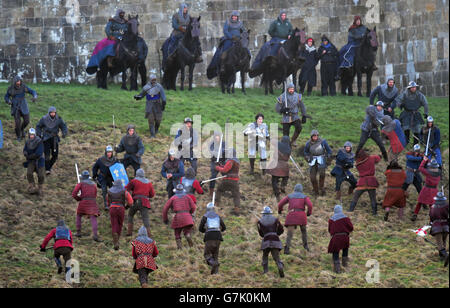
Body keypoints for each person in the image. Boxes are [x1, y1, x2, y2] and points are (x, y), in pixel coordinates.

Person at [250, 10, 293, 75]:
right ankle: (272, 59)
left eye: (284, 15)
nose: (283, 16)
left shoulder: (288, 23)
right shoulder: (275, 23)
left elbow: (291, 30)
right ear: (280, 16)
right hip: (277, 39)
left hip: (285, 39)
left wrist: (290, 34)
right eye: (282, 15)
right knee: (274, 46)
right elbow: (270, 31)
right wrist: (275, 35)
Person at [207, 10, 248, 79]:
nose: (234, 18)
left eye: (236, 16)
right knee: (224, 50)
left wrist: (242, 36)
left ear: (237, 17)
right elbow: (225, 31)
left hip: (238, 40)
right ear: (231, 16)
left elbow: (243, 31)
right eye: (233, 16)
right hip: (229, 39)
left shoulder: (240, 23)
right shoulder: (228, 22)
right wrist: (231, 37)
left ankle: (247, 65)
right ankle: (222, 65)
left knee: (246, 49)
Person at [278, 184, 313, 254]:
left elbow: (280, 203)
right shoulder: (304, 197)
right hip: (301, 216)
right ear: (301, 190)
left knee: (290, 233)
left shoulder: (290, 196)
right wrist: (309, 213)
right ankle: (306, 246)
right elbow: (310, 205)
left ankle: (287, 249)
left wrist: (280, 210)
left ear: (294, 189)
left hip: (292, 215)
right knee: (303, 231)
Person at [393, 81, 429, 146]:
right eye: (412, 87)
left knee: (417, 129)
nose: (413, 88)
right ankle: (406, 142)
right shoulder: (404, 94)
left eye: (414, 87)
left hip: (416, 113)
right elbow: (398, 100)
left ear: (416, 87)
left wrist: (426, 113)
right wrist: (400, 105)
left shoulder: (419, 95)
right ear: (409, 88)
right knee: (406, 128)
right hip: (406, 113)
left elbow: (425, 103)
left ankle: (415, 144)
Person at [162, 184, 196, 249]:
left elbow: (165, 209)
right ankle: (188, 237)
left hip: (178, 217)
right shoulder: (188, 197)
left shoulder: (173, 198)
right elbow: (193, 207)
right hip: (188, 217)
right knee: (187, 231)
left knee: (177, 233)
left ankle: (180, 248)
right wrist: (189, 214)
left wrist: (165, 219)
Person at [36, 106, 68, 175]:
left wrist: (64, 132)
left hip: (54, 139)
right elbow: (38, 126)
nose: (53, 114)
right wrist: (39, 134)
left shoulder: (59, 119)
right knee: (47, 155)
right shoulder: (44, 119)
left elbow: (63, 126)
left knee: (55, 155)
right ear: (49, 113)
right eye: (51, 113)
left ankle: (48, 167)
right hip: (46, 138)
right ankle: (47, 169)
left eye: (54, 113)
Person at [4, 75, 37, 141]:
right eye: (17, 82)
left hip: (23, 105)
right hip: (15, 106)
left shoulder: (23, 86)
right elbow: (6, 96)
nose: (18, 83)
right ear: (14, 82)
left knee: (27, 121)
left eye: (19, 81)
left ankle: (22, 129)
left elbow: (32, 91)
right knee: (17, 123)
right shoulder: (11, 88)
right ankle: (19, 136)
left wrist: (35, 96)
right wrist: (8, 101)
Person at [71, 170, 102, 242]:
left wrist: (79, 199)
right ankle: (95, 235)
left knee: (79, 215)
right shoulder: (94, 184)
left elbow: (74, 194)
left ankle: (78, 232)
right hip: (92, 202)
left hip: (83, 201)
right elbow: (95, 194)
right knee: (93, 217)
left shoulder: (81, 184)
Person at [349, 150, 381, 215]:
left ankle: (350, 210)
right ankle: (375, 213)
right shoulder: (372, 158)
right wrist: (380, 155)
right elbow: (378, 158)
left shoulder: (358, 164)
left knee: (356, 197)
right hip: (371, 181)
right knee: (373, 198)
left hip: (362, 182)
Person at [125, 168, 155, 238]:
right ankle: (149, 235)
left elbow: (126, 189)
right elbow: (152, 194)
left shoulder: (134, 181)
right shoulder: (149, 183)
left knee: (130, 215)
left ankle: (129, 232)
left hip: (135, 201)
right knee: (145, 219)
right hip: (145, 202)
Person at [198, 202, 227, 275]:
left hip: (209, 236)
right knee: (215, 255)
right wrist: (221, 230)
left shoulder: (205, 216)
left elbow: (200, 228)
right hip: (218, 236)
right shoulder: (217, 216)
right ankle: (215, 273)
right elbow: (224, 227)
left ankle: (213, 264)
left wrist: (205, 231)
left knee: (207, 255)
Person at [257, 206, 285, 277]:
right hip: (275, 239)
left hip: (266, 240)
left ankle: (265, 271)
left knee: (265, 256)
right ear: (270, 213)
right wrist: (276, 234)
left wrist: (266, 235)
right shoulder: (276, 219)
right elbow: (281, 229)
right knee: (276, 257)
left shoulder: (259, 221)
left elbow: (261, 234)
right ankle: (280, 267)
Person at [411, 157, 441, 221]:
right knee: (431, 205)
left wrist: (424, 160)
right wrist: (428, 160)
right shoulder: (439, 173)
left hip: (426, 189)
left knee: (420, 202)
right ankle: (432, 219)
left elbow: (420, 168)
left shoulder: (428, 172)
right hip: (434, 191)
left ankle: (415, 214)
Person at [162, 3, 191, 68]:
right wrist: (181, 28)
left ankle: (196, 56)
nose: (186, 9)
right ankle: (170, 55)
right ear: (181, 8)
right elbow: (174, 25)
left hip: (185, 34)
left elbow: (190, 25)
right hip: (177, 33)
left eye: (186, 8)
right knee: (172, 42)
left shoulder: (189, 17)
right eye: (184, 8)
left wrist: (188, 29)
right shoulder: (176, 15)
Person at [304, 130, 333, 196]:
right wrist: (307, 157)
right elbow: (305, 152)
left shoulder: (323, 142)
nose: (315, 137)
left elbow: (329, 150)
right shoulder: (308, 143)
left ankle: (321, 187)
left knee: (322, 174)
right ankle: (315, 190)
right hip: (312, 159)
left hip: (321, 159)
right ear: (311, 136)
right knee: (312, 177)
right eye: (314, 136)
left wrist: (328, 157)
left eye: (316, 136)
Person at [107, 179, 133, 250]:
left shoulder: (109, 191)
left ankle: (115, 241)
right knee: (120, 224)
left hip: (112, 208)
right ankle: (117, 239)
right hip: (121, 208)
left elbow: (108, 202)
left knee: (114, 224)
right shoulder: (124, 191)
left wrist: (110, 205)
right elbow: (130, 202)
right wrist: (126, 207)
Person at [214, 148, 241, 215]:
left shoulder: (230, 161)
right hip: (235, 181)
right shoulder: (237, 161)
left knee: (219, 190)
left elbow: (225, 170)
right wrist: (220, 165)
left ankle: (216, 204)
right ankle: (236, 209)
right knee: (236, 195)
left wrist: (217, 168)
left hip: (227, 180)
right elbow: (227, 167)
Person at [328, 205, 353, 273]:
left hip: (336, 237)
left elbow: (330, 230)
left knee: (335, 252)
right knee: (345, 250)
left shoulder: (331, 220)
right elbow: (351, 227)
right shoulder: (346, 218)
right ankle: (345, 265)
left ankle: (337, 269)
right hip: (345, 237)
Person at [93, 145, 119, 210]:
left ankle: (113, 204)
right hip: (103, 177)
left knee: (113, 191)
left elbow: (119, 168)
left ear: (112, 153)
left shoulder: (115, 160)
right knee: (104, 191)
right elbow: (95, 167)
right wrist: (94, 175)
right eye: (108, 152)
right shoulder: (101, 159)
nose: (109, 153)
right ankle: (106, 205)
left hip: (111, 178)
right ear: (105, 152)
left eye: (110, 152)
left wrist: (117, 178)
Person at [267, 136, 291, 201]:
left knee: (274, 179)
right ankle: (283, 185)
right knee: (286, 177)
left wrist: (268, 137)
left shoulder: (278, 144)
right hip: (285, 166)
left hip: (276, 164)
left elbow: (272, 141)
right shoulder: (289, 148)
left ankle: (277, 192)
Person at [23, 128, 45, 195]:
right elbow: (25, 149)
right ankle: (32, 186)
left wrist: (30, 156)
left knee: (41, 175)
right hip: (31, 161)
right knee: (29, 173)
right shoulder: (27, 142)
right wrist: (25, 153)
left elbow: (39, 153)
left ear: (35, 135)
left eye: (32, 135)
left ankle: (40, 188)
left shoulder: (39, 141)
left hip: (39, 160)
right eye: (30, 135)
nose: (31, 136)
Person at [429, 192, 449, 264]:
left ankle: (446, 255)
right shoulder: (447, 205)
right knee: (443, 242)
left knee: (440, 245)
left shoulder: (432, 207)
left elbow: (431, 219)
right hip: (446, 226)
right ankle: (442, 258)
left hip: (437, 227)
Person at [208, 131, 226, 197]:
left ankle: (224, 189)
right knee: (213, 176)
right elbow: (211, 150)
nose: (217, 137)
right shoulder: (212, 144)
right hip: (214, 162)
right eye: (215, 136)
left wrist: (222, 151)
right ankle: (211, 191)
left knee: (225, 176)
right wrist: (217, 151)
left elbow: (225, 150)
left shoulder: (224, 143)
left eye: (218, 136)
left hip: (222, 162)